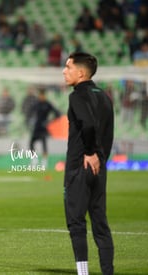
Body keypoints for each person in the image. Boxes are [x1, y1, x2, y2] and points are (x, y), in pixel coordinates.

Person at [62, 52, 114, 275]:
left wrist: (90, 152)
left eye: (68, 67)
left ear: (80, 72)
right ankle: (107, 271)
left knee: (76, 222)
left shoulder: (76, 96)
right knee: (100, 223)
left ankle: (83, 273)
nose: (64, 71)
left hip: (79, 167)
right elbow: (109, 134)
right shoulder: (104, 96)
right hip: (99, 168)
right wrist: (101, 159)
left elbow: (88, 124)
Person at [28, 88, 60, 167]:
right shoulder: (37, 104)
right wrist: (31, 120)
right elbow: (30, 112)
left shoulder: (47, 104)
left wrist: (49, 121)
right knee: (31, 143)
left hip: (44, 127)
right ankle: (34, 160)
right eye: (40, 95)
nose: (41, 97)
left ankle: (44, 161)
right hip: (37, 126)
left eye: (42, 95)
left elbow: (57, 113)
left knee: (44, 144)